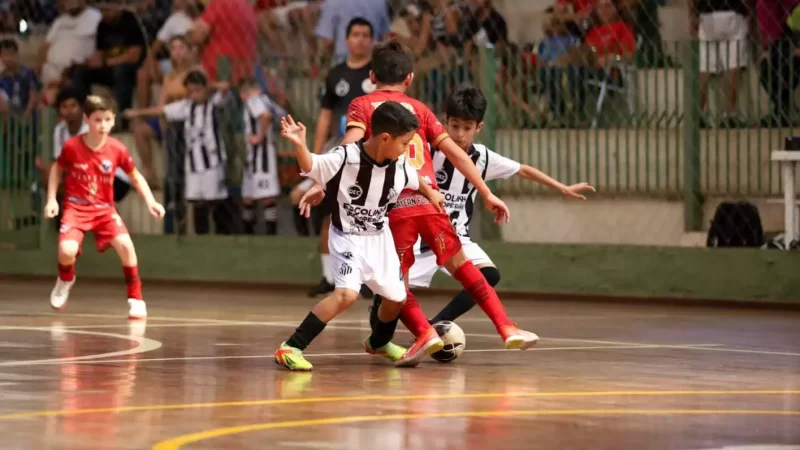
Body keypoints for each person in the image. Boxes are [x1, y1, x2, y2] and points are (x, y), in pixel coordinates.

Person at [304, 40, 537, 368]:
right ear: (410, 79)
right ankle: (506, 327)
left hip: (394, 208)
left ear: (371, 76)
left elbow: (349, 145)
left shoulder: (363, 104)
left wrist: (321, 181)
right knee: (465, 268)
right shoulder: (422, 110)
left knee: (394, 283)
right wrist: (486, 192)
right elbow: (458, 155)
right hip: (430, 201)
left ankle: (424, 333)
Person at [273, 104, 446, 371]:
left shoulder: (398, 164)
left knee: (397, 297)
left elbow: (415, 178)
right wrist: (299, 144)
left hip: (380, 238)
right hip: (348, 237)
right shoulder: (345, 157)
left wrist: (431, 193)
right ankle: (291, 346)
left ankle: (378, 342)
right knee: (346, 294)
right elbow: (312, 165)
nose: (405, 149)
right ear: (385, 138)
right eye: (404, 143)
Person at [405, 86, 594, 324]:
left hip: (455, 237)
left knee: (489, 275)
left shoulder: (482, 158)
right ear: (445, 123)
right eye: (455, 126)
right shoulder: (429, 151)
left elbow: (522, 170)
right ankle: (383, 318)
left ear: (478, 127)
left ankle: (437, 325)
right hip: (420, 237)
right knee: (392, 293)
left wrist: (562, 187)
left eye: (467, 128)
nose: (460, 134)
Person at [45, 95, 165, 319]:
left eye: (107, 119)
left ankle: (136, 298)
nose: (102, 125)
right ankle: (65, 278)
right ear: (87, 120)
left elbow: (136, 176)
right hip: (76, 208)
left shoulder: (117, 149)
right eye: (97, 119)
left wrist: (151, 202)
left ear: (113, 121)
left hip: (104, 210)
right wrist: (52, 199)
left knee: (126, 247)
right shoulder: (72, 146)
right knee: (66, 251)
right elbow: (56, 170)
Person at [296, 16, 376, 296]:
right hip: (340, 152)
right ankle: (329, 278)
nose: (361, 39)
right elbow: (325, 115)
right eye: (355, 34)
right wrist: (315, 154)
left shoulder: (377, 74)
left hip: (370, 156)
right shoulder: (335, 74)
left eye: (366, 35)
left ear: (372, 40)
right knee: (330, 214)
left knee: (367, 216)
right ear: (347, 39)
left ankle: (366, 279)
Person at [124, 71, 235, 235]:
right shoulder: (186, 106)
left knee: (215, 199)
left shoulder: (214, 102)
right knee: (197, 202)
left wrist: (208, 88)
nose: (194, 95)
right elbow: (162, 110)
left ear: (205, 89)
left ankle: (224, 233)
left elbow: (225, 87)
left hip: (212, 161)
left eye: (197, 91)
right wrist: (137, 113)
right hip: (194, 163)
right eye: (190, 91)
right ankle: (202, 236)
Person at [239, 78, 282, 235]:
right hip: (254, 157)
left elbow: (265, 116)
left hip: (262, 156)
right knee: (248, 196)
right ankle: (249, 234)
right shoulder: (266, 100)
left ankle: (269, 235)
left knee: (267, 196)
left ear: (244, 93)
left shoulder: (254, 100)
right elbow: (281, 115)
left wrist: (259, 136)